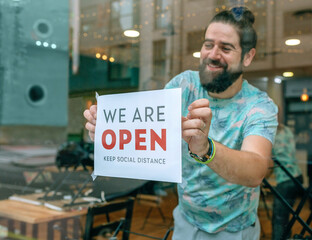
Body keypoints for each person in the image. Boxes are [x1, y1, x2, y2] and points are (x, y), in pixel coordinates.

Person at [84, 7, 278, 240]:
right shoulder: (184, 85)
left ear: (247, 56)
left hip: (235, 231)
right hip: (185, 222)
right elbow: (148, 136)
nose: (213, 54)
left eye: (226, 48)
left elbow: (256, 170)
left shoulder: (259, 106)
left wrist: (205, 149)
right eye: (208, 45)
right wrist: (105, 133)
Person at [271, 116, 303, 240]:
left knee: (279, 218)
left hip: (285, 179)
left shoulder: (272, 134)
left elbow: (269, 161)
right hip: (297, 176)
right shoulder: (287, 130)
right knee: (285, 216)